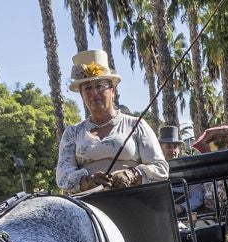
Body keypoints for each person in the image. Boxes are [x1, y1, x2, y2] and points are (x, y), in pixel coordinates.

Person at [55, 50, 170, 195]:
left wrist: (131, 174)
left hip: (136, 200)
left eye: (100, 86)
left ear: (112, 91)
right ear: (81, 95)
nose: (94, 93)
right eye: (88, 88)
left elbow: (160, 167)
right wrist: (90, 181)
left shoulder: (136, 125)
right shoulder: (72, 133)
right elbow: (64, 176)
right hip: (88, 204)